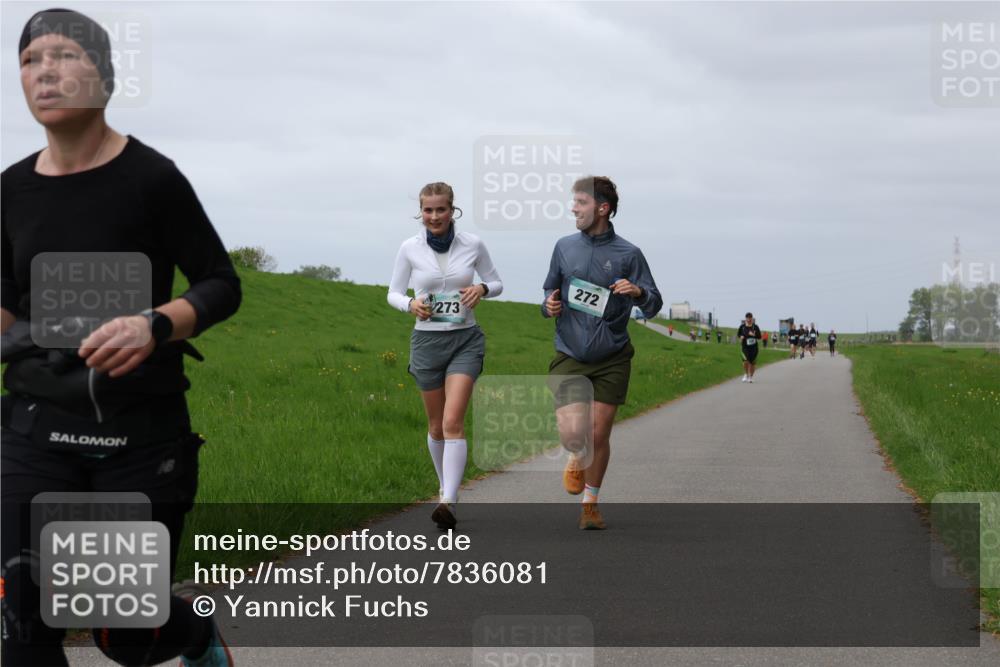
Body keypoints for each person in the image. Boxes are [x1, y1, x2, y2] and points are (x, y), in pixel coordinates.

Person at [2, 10, 242, 666]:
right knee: (22, 620)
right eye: (29, 60)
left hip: (138, 435)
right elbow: (7, 303)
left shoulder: (151, 178)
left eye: (64, 55)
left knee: (122, 632)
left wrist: (153, 323)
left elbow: (220, 283)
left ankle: (194, 635)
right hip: (33, 428)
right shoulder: (10, 189)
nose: (44, 71)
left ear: (104, 78)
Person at [542, 176, 661, 530]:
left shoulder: (629, 254)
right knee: (573, 433)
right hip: (570, 352)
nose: (573, 209)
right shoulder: (564, 247)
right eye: (574, 202)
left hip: (613, 355)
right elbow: (549, 291)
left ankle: (590, 504)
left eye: (581, 203)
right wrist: (548, 305)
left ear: (602, 209)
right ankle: (576, 455)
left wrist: (638, 292)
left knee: (598, 434)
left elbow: (654, 303)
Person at [388, 182, 503, 531]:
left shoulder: (473, 244)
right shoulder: (410, 248)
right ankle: (445, 489)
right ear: (421, 212)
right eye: (428, 210)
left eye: (441, 209)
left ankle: (448, 501)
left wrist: (481, 288)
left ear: (453, 210)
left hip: (465, 340)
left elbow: (496, 282)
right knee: (436, 426)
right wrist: (411, 304)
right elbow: (393, 292)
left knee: (453, 422)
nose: (435, 216)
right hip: (427, 343)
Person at [738, 312, 762, 383]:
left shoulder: (755, 327)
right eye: (747, 318)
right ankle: (746, 374)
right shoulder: (742, 327)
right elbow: (739, 334)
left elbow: (759, 337)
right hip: (745, 347)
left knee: (752, 363)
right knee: (745, 361)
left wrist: (754, 335)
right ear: (746, 319)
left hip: (754, 348)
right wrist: (741, 337)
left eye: (750, 318)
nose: (749, 320)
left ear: (752, 319)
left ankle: (751, 377)